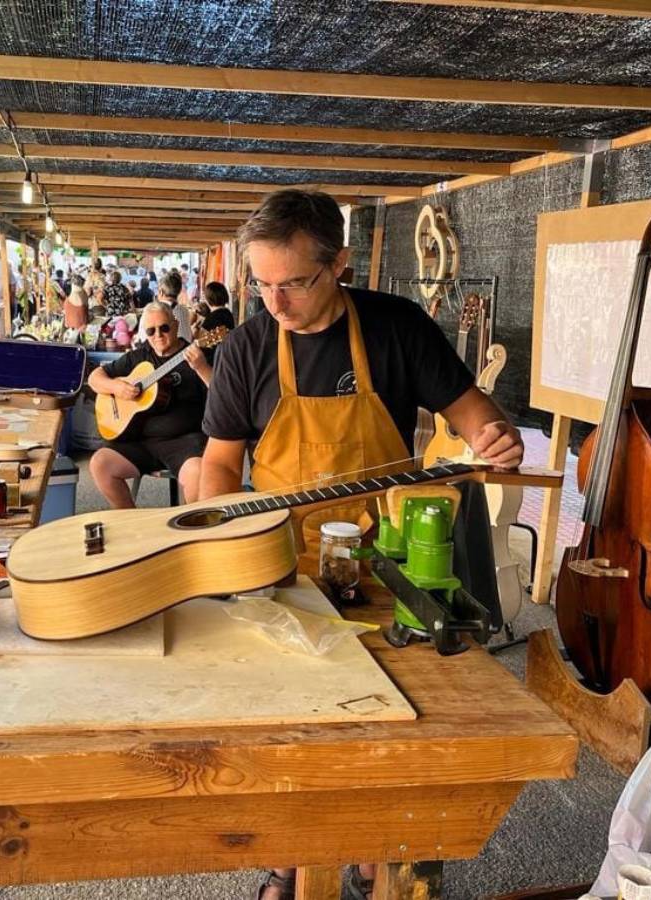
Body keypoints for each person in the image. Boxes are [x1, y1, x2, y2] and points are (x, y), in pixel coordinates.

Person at [198, 192, 525, 900]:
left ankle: (379, 849)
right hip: (278, 561)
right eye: (261, 283)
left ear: (339, 264)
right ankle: (288, 860)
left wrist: (496, 437)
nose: (275, 301)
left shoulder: (397, 328)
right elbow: (222, 462)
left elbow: (476, 418)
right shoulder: (251, 346)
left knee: (392, 718)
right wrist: (222, 533)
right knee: (287, 725)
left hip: (387, 559)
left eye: (294, 282)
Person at [86, 302, 213, 509]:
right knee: (100, 464)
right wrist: (116, 387)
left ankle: (191, 530)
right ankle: (132, 521)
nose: (158, 335)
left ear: (175, 324)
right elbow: (94, 378)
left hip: (184, 442)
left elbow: (222, 395)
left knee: (198, 473)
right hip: (139, 441)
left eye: (164, 328)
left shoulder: (198, 354)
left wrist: (202, 368)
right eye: (151, 331)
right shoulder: (140, 356)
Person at [136, 271, 192, 344]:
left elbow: (142, 338)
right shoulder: (184, 310)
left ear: (161, 292)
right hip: (184, 351)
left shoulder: (151, 311)